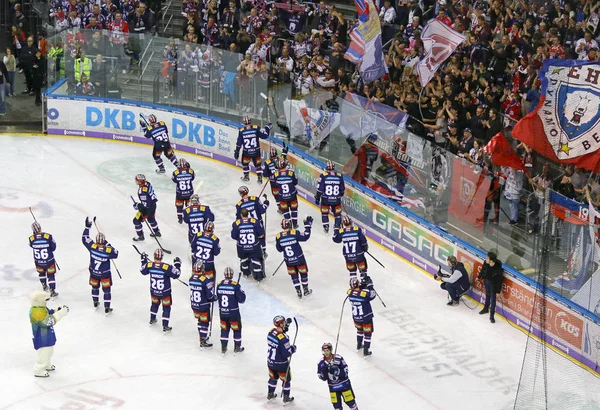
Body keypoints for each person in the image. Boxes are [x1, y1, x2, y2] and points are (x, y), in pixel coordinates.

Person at [82, 217, 119, 314]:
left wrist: (87, 228)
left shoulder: (92, 247)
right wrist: (108, 244)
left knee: (95, 288)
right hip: (105, 274)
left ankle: (95, 303)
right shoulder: (108, 250)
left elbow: (84, 238)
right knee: (107, 291)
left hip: (94, 273)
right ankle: (107, 308)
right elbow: (116, 253)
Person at [140, 249, 182, 332]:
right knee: (166, 308)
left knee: (154, 304)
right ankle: (165, 325)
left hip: (154, 291)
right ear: (162, 257)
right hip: (165, 293)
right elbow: (177, 274)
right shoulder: (166, 267)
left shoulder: (150, 265)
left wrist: (143, 261)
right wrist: (177, 264)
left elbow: (142, 271)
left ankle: (152, 319)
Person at [29, 291, 69, 377]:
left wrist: (57, 310)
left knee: (49, 351)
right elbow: (48, 321)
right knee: (44, 352)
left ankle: (46, 364)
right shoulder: (36, 312)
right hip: (42, 337)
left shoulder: (41, 308)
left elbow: (49, 312)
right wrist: (61, 313)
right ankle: (38, 369)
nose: (46, 301)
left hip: (47, 335)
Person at [275, 216, 314, 298]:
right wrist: (308, 226)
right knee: (303, 273)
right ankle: (305, 290)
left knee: (294, 276)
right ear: (289, 225)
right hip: (299, 259)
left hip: (289, 261)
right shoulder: (294, 233)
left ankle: (298, 292)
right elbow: (305, 237)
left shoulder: (278, 236)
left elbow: (279, 249)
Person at [317, 343, 359, 410]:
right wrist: (324, 373)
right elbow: (320, 375)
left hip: (344, 385)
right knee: (337, 407)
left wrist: (337, 371)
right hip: (333, 388)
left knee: (351, 403)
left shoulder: (338, 358)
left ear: (331, 350)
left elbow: (346, 371)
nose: (326, 353)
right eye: (324, 351)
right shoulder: (321, 363)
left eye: (327, 350)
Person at [216, 267, 247, 354]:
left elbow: (218, 297)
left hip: (222, 312)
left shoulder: (219, 284)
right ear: (232, 275)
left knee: (224, 329)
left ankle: (223, 348)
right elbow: (242, 300)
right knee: (237, 329)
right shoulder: (235, 285)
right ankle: (237, 347)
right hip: (233, 313)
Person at [267, 315, 296, 403]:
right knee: (286, 380)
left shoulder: (271, 332)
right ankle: (286, 397)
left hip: (270, 362)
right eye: (283, 322)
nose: (284, 323)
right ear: (280, 324)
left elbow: (279, 336)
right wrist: (293, 349)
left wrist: (286, 326)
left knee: (273, 378)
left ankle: (270, 394)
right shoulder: (284, 338)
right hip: (281, 364)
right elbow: (287, 353)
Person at [231, 208, 265, 281]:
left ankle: (246, 273)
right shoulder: (255, 222)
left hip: (241, 247)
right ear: (248, 214)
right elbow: (261, 233)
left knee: (244, 260)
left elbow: (233, 236)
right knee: (256, 260)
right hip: (254, 247)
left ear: (241, 215)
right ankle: (259, 276)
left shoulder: (236, 224)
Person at [234, 116, 272, 183]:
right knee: (258, 165)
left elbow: (239, 143)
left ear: (244, 122)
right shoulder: (256, 128)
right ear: (250, 121)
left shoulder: (241, 131)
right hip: (256, 151)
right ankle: (259, 178)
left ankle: (246, 177)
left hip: (246, 152)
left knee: (245, 164)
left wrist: (237, 151)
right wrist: (267, 128)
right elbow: (265, 136)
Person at [235, 185, 269, 258]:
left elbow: (238, 219)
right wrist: (266, 203)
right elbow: (262, 210)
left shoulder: (239, 205)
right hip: (258, 224)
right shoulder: (255, 199)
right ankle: (263, 252)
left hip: (247, 226)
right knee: (261, 237)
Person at [189, 260, 217, 347]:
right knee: (204, 322)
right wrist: (214, 298)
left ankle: (201, 336)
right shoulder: (205, 280)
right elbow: (209, 295)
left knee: (200, 321)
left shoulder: (191, 278)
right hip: (203, 306)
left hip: (194, 305)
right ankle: (203, 340)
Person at [348, 276, 376, 356]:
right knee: (367, 333)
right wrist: (370, 285)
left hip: (356, 318)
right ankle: (366, 350)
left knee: (359, 330)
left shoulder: (350, 294)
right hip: (366, 317)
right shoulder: (364, 294)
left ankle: (359, 344)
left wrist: (361, 287)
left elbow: (357, 292)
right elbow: (372, 294)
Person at [315, 160, 345, 233]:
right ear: (334, 167)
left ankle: (326, 227)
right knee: (337, 214)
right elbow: (342, 189)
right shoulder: (339, 176)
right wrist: (339, 195)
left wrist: (317, 198)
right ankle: (337, 227)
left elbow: (319, 189)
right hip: (336, 200)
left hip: (325, 199)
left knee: (324, 213)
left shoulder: (323, 175)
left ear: (326, 167)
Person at [29, 222, 58, 297]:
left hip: (38, 262)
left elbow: (31, 246)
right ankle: (52, 290)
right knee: (51, 275)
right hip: (49, 261)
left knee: (41, 273)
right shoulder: (48, 236)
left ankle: (44, 285)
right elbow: (53, 247)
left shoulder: (31, 238)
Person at [132, 174, 161, 241]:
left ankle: (141, 236)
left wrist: (137, 205)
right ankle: (157, 232)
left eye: (137, 181)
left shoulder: (142, 192)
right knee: (151, 219)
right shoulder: (147, 183)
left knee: (136, 221)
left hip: (147, 208)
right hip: (153, 205)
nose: (136, 181)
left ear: (140, 182)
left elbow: (146, 204)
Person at [273, 158, 300, 228]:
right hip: (292, 196)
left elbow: (276, 184)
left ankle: (289, 224)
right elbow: (295, 183)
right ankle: (295, 224)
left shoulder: (275, 174)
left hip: (282, 197)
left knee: (285, 211)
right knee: (294, 209)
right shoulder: (291, 173)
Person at [477, 251, 503, 323]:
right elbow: (483, 270)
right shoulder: (486, 263)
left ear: (491, 261)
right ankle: (486, 308)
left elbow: (499, 281)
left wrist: (498, 291)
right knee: (487, 294)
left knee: (493, 299)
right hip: (487, 280)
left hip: (493, 284)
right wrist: (479, 277)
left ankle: (492, 316)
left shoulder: (498, 268)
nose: (486, 259)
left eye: (487, 258)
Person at [262, 144, 288, 213]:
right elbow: (285, 162)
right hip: (281, 180)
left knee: (276, 196)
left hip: (273, 182)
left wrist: (269, 174)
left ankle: (280, 208)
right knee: (283, 193)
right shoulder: (280, 159)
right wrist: (284, 153)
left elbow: (265, 174)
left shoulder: (267, 162)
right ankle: (285, 206)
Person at [171, 158, 195, 224]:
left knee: (179, 207)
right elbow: (192, 178)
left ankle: (180, 219)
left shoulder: (175, 173)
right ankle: (188, 218)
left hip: (180, 194)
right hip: (189, 193)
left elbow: (174, 180)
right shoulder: (191, 171)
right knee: (189, 207)